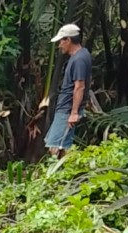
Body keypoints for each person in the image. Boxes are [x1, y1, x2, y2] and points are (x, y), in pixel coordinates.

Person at [45, 24, 92, 157]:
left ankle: (57, 174)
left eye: (61, 41)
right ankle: (67, 175)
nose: (60, 45)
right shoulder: (82, 55)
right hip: (67, 108)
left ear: (68, 40)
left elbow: (80, 86)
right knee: (62, 145)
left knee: (54, 146)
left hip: (67, 109)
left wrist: (74, 113)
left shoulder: (79, 60)